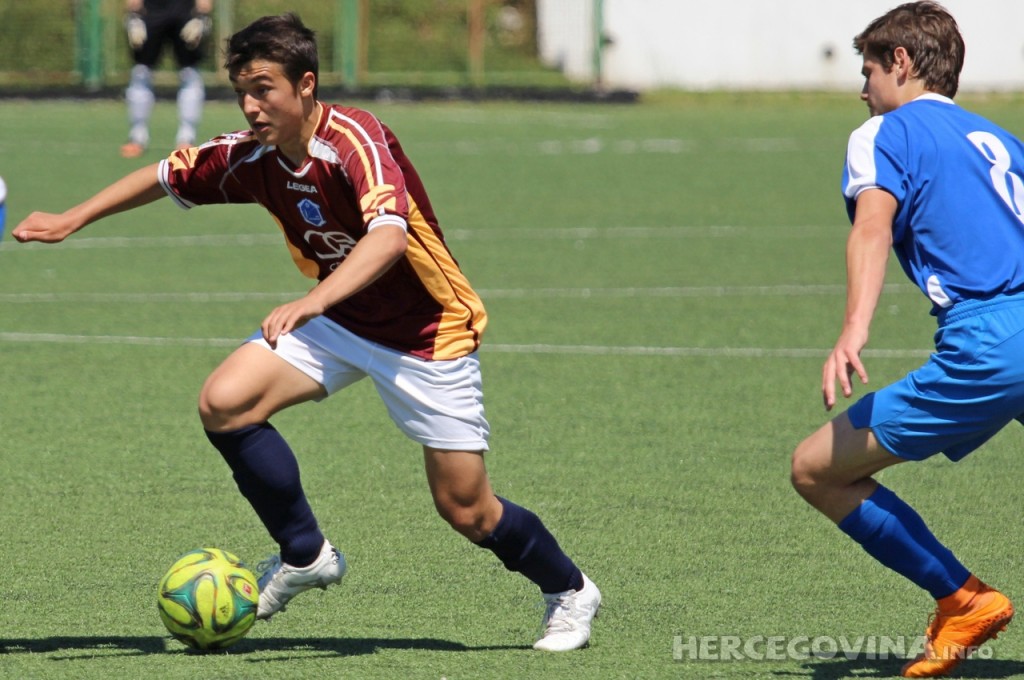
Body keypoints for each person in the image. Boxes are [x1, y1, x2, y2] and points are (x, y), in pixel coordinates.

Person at [14, 13, 599, 652]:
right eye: (241, 89)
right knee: (225, 402)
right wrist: (72, 219)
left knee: (466, 510)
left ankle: (569, 590)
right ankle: (304, 553)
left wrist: (313, 299)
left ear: (306, 85)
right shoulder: (253, 154)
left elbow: (388, 237)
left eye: (264, 88)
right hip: (341, 321)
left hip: (426, 330)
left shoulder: (357, 138)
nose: (251, 104)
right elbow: (165, 174)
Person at [790, 2, 1021, 677]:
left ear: (901, 62)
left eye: (867, 71)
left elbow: (871, 227)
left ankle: (963, 599)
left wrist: (852, 330)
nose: (861, 89)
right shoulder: (1001, 138)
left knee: (814, 468)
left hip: (993, 343)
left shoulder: (885, 131)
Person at [121, 0, 213, 158]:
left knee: (190, 72)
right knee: (141, 71)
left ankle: (187, 138)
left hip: (186, 9)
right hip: (151, 9)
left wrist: (203, 8)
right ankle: (137, 137)